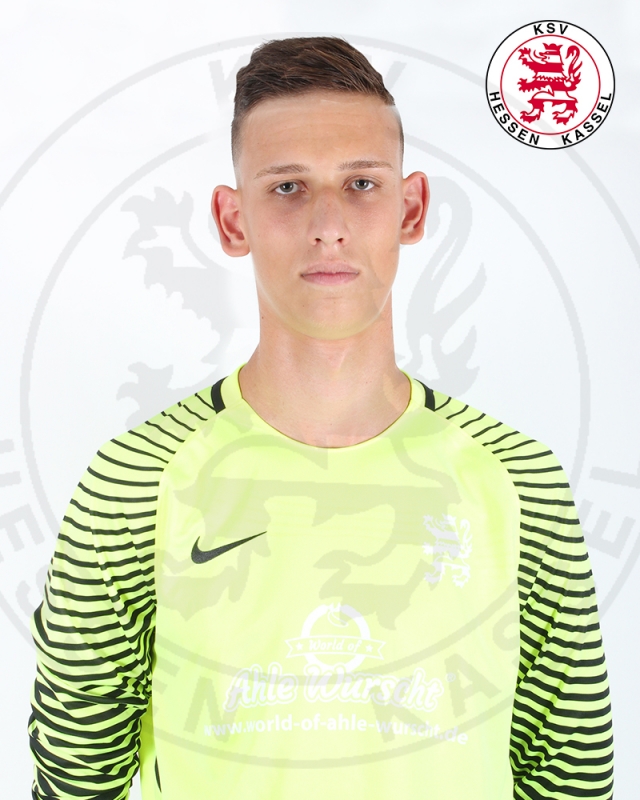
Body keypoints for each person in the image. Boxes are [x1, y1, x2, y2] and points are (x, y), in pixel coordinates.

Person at [28, 36, 613, 799]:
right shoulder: (134, 482)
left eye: (362, 184)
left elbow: (570, 776)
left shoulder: (519, 480)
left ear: (411, 208)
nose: (328, 223)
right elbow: (74, 780)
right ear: (233, 220)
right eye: (288, 188)